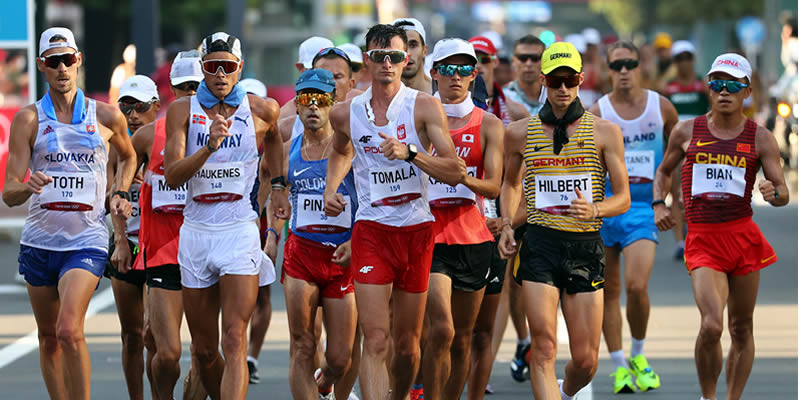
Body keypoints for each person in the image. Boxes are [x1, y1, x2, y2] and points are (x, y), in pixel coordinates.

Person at [323, 23, 465, 400]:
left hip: (416, 231)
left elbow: (455, 171)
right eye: (379, 57)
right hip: (371, 230)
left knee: (407, 346)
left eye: (396, 57)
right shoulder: (346, 112)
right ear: (367, 60)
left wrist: (411, 153)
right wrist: (331, 188)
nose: (387, 64)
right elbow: (340, 149)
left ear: (407, 61)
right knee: (376, 338)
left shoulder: (424, 106)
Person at [2, 27, 136, 400]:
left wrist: (120, 190)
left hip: (86, 239)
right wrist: (27, 185)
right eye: (54, 61)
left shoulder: (106, 116)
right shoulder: (29, 121)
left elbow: (129, 155)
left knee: (67, 330)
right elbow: (9, 190)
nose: (62, 68)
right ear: (43, 67)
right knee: (48, 339)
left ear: (78, 61)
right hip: (39, 241)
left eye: (68, 60)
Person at [497, 41, 631, 400]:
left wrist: (596, 210)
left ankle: (565, 392)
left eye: (569, 80)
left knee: (586, 361)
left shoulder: (605, 133)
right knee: (543, 348)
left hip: (585, 247)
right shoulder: (519, 133)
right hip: (540, 245)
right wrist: (508, 223)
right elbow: (510, 183)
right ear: (543, 80)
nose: (561, 89)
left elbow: (623, 197)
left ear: (580, 80)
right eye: (554, 81)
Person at [653, 53, 789, 400]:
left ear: (746, 92)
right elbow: (664, 171)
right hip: (703, 238)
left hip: (743, 236)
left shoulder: (761, 138)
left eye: (732, 85)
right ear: (708, 90)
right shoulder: (687, 131)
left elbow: (783, 191)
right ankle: (708, 395)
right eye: (716, 84)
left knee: (741, 327)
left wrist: (774, 193)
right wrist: (658, 204)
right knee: (712, 325)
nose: (723, 91)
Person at [163, 32, 284, 400]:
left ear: (239, 69)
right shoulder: (183, 111)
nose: (219, 74)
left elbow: (276, 138)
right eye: (212, 67)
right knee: (202, 350)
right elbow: (172, 174)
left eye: (227, 67)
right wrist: (209, 147)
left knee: (234, 337)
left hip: (239, 229)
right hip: (197, 229)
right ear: (202, 69)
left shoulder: (262, 110)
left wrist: (278, 185)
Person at [589, 40, 679, 394]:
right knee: (609, 292)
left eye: (629, 64)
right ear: (608, 70)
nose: (623, 71)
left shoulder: (662, 108)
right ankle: (619, 366)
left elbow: (676, 156)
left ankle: (638, 354)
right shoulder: (598, 111)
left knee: (637, 286)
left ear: (640, 66)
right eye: (616, 66)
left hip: (642, 209)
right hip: (606, 209)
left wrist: (668, 199)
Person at [420, 38, 504, 400]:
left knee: (464, 338)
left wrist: (459, 177)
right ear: (434, 73)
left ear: (474, 76)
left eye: (465, 70)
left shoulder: (489, 124)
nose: (456, 77)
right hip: (427, 234)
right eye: (449, 69)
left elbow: (494, 186)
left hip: (472, 236)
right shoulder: (416, 118)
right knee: (441, 330)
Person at [268, 68, 359, 400]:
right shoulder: (288, 146)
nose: (313, 108)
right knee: (303, 344)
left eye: (321, 101)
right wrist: (272, 233)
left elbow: (369, 199)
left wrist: (356, 239)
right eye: (306, 100)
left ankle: (324, 384)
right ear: (297, 102)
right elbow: (274, 196)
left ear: (332, 103)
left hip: (342, 258)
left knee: (340, 358)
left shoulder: (348, 146)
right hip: (302, 255)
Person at [130, 50, 208, 400]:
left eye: (196, 86)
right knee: (168, 354)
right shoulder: (149, 135)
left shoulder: (226, 132)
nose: (190, 94)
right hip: (163, 253)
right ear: (171, 91)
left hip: (207, 250)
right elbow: (118, 175)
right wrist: (119, 202)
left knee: (206, 354)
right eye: (183, 87)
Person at [107, 74, 161, 400]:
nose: (132, 115)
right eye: (126, 107)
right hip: (127, 242)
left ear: (156, 107)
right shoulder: (118, 148)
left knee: (154, 336)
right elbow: (107, 196)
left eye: (140, 107)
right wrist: (121, 240)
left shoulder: (169, 142)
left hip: (158, 246)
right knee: (131, 336)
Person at [663, 40, 710, 261]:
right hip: (675, 146)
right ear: (674, 62)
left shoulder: (703, 86)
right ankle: (681, 242)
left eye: (687, 57)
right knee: (675, 192)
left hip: (702, 146)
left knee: (699, 193)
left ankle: (698, 234)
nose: (684, 63)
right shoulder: (667, 87)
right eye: (679, 58)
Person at [280, 47, 359, 142]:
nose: (331, 83)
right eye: (323, 76)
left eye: (337, 77)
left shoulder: (361, 127)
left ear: (350, 84)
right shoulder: (286, 129)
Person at [468, 35, 529, 126]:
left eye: (485, 59)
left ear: (496, 62)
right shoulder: (452, 106)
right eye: (473, 61)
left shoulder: (515, 110)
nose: (478, 65)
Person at [505, 34, 548, 115]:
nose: (528, 64)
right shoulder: (502, 99)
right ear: (513, 61)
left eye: (535, 58)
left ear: (545, 61)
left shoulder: (556, 96)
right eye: (523, 58)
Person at [393, 18, 431, 94]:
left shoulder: (442, 93)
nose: (407, 53)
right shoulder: (380, 97)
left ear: (424, 50)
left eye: (413, 45)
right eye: (399, 46)